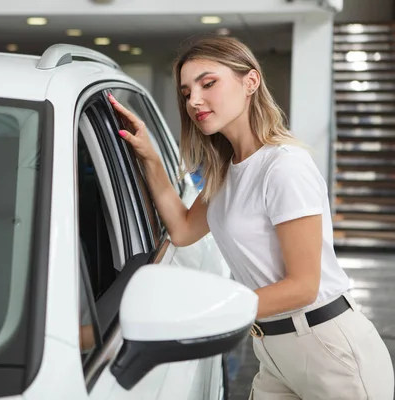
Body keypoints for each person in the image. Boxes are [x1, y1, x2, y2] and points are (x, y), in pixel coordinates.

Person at [108, 36, 394, 400]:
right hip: (272, 350)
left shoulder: (283, 166)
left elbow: (303, 286)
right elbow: (181, 230)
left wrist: (203, 309)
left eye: (208, 83)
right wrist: (149, 156)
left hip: (328, 349)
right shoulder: (226, 170)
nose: (194, 100)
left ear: (250, 82)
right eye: (186, 92)